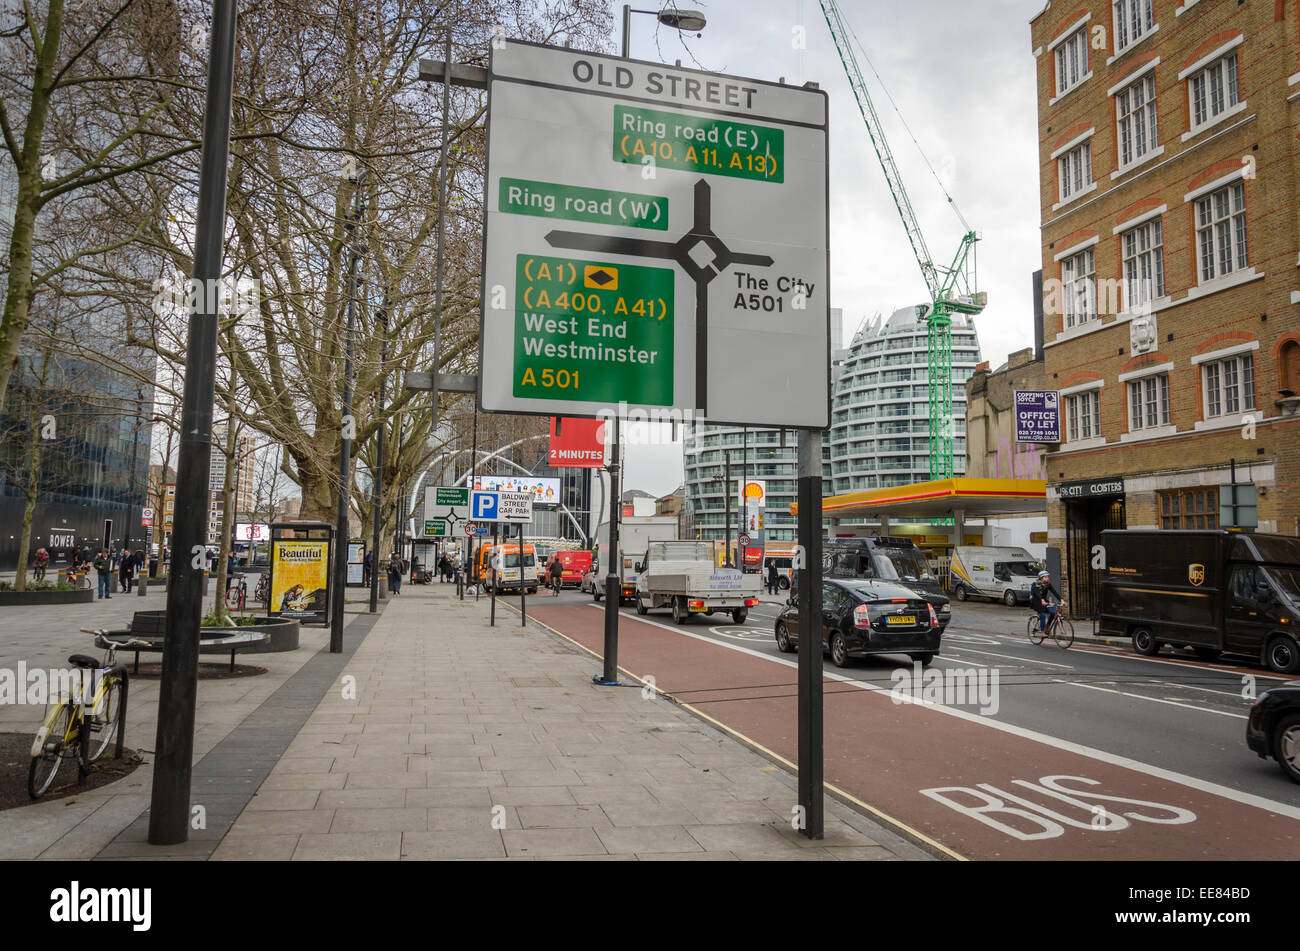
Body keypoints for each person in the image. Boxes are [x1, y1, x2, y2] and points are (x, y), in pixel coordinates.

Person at [1029, 569, 1062, 635]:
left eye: (1047, 577)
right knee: (1043, 615)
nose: (1047, 578)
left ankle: (1047, 626)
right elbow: (1037, 593)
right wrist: (1042, 600)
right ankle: (1042, 632)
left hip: (1044, 600)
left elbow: (1054, 592)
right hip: (1037, 601)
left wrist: (1061, 599)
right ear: (1041, 578)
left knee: (1053, 612)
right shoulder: (1036, 584)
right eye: (1045, 577)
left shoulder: (1048, 584)